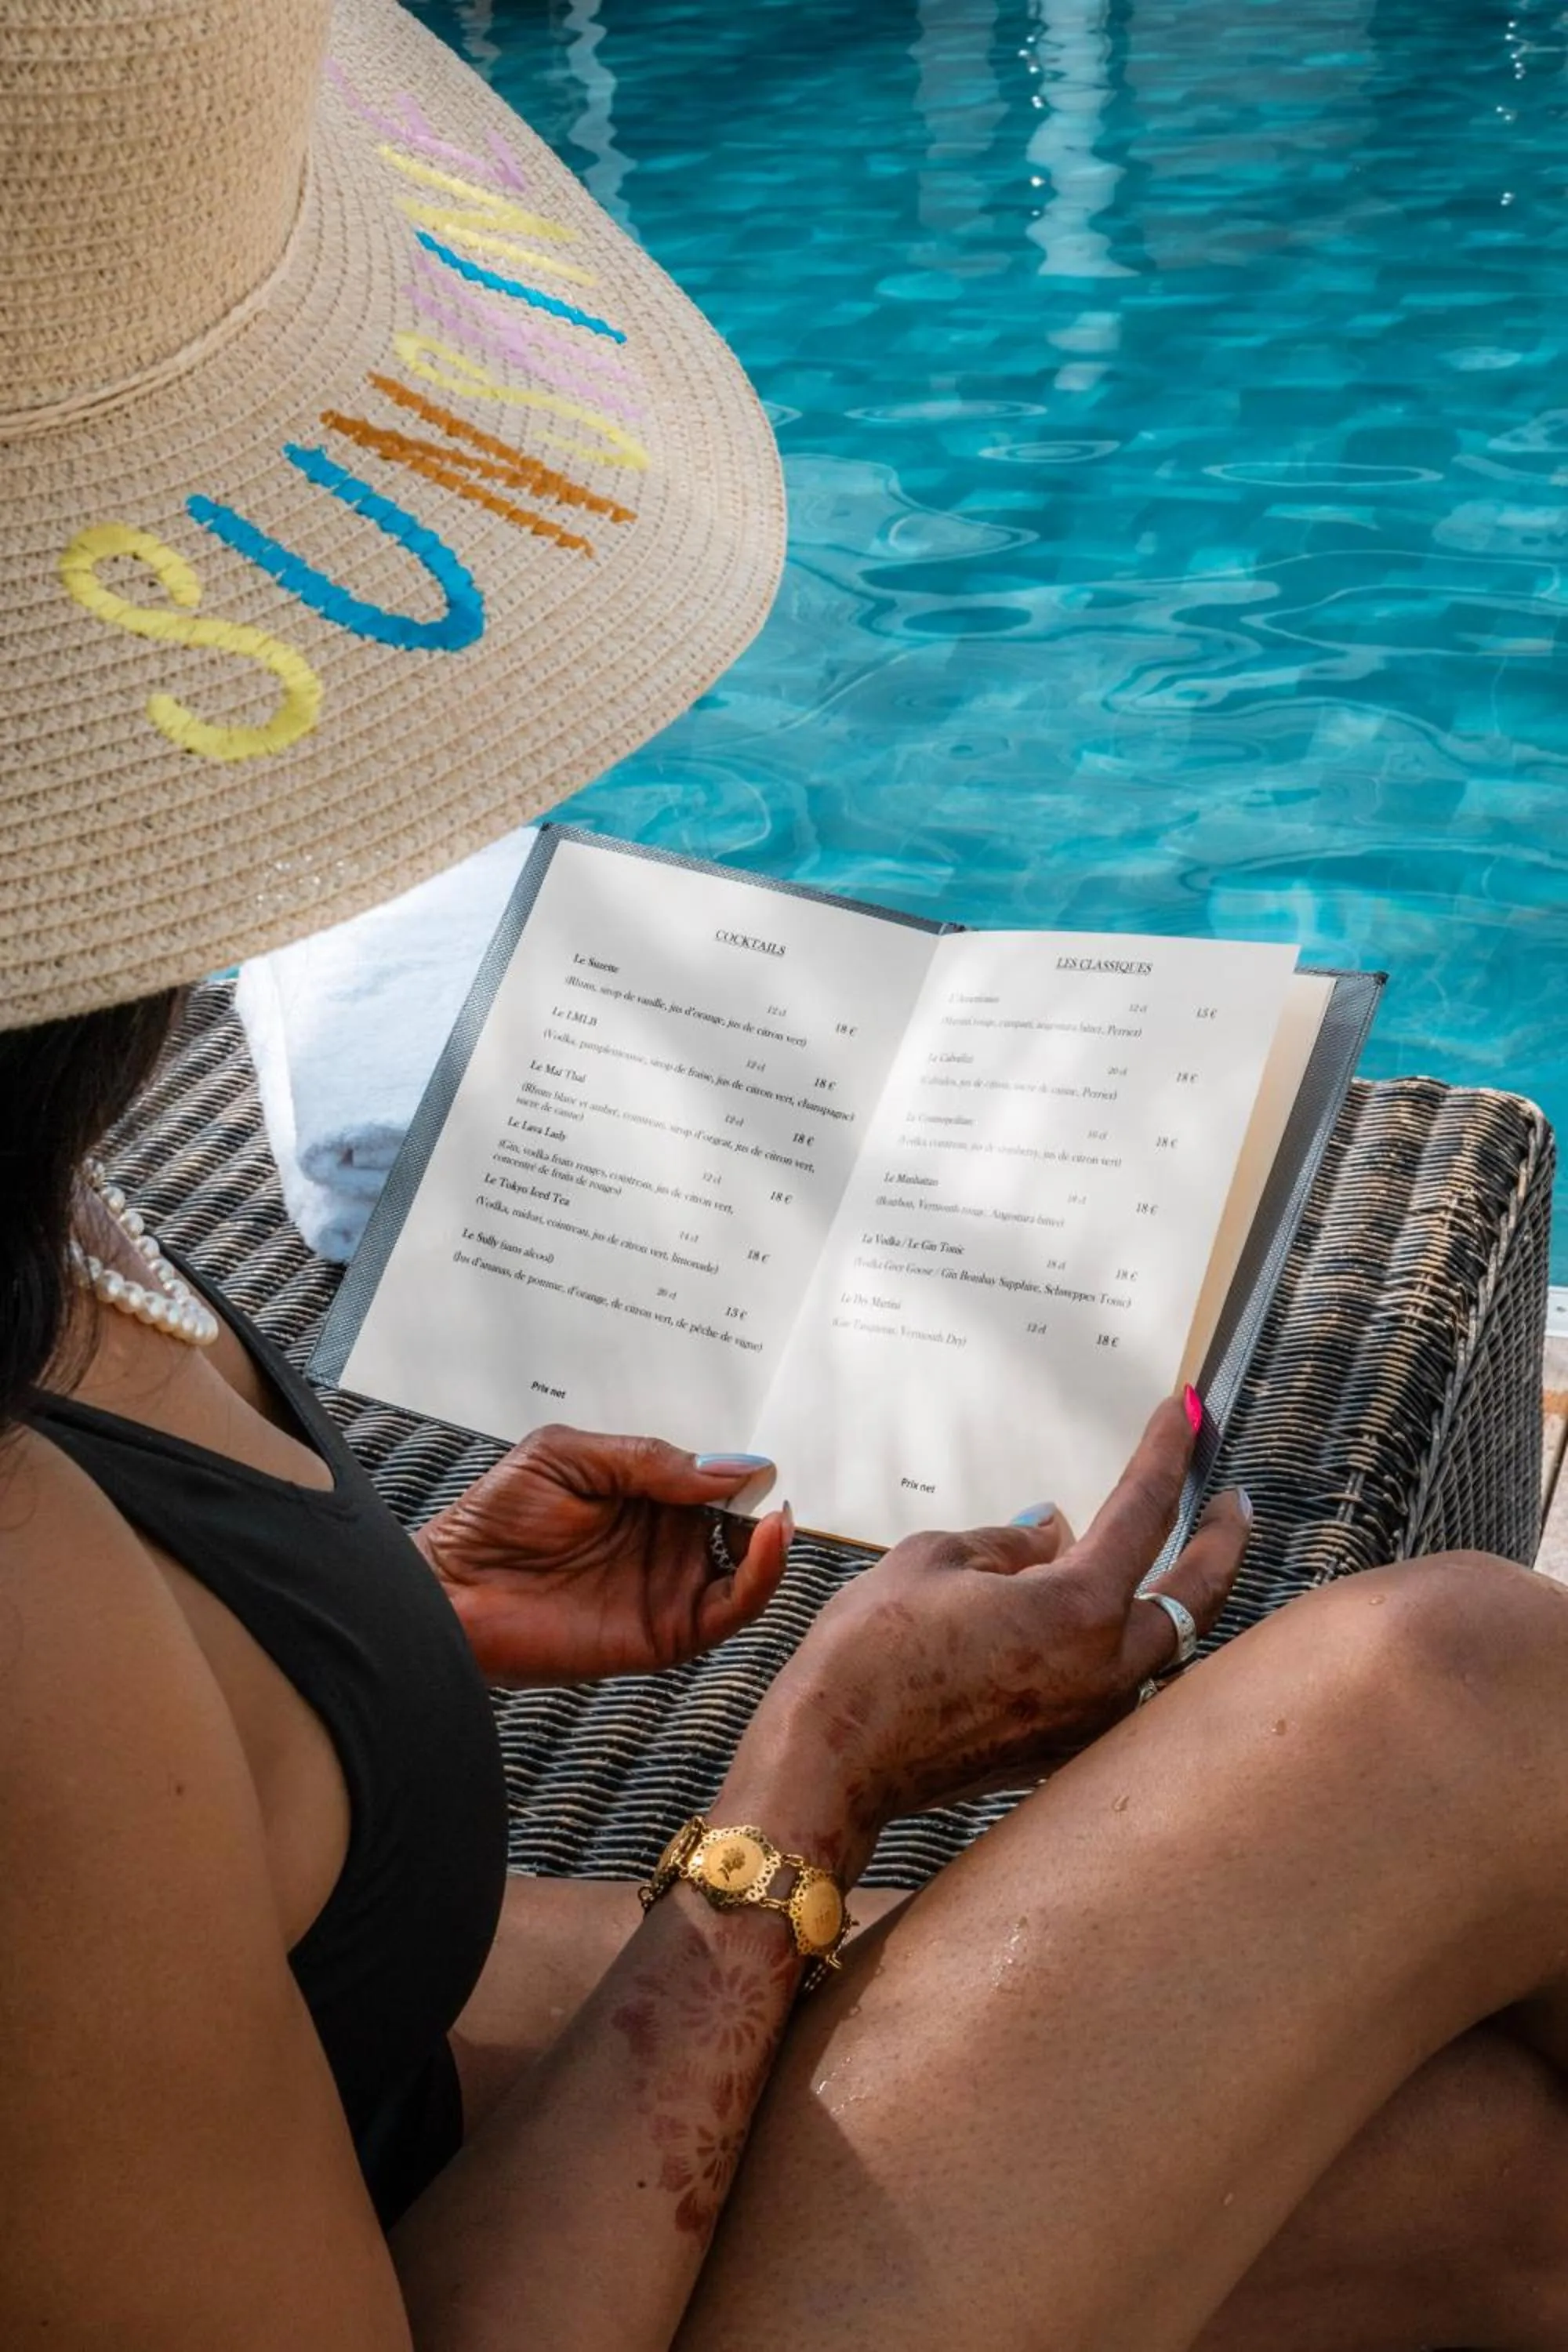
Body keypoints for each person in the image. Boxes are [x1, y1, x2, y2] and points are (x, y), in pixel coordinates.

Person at [5, 6, 1568, 2350]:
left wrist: (370, 1650)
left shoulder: (45, 1194)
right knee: (1459, 1697)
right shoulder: (20, 1634)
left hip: (315, 2081)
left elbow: (125, 1889)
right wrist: (812, 1782)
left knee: (1506, 2194)